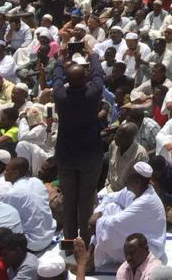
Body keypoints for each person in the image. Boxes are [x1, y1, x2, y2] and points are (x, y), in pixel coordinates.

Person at [52, 53, 106, 246]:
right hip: (90, 156)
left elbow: (57, 78)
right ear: (86, 79)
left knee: (69, 201)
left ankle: (68, 242)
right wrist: (91, 54)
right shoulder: (93, 94)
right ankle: (84, 242)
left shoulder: (60, 95)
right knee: (85, 201)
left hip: (66, 157)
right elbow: (99, 74)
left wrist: (60, 58)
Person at [89, 161, 166, 270]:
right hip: (138, 234)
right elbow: (109, 197)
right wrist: (97, 213)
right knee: (110, 208)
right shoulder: (135, 190)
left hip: (150, 247)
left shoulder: (146, 201)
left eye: (128, 177)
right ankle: (92, 254)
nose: (125, 180)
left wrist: (95, 224)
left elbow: (115, 224)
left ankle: (90, 260)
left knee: (106, 229)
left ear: (137, 182)